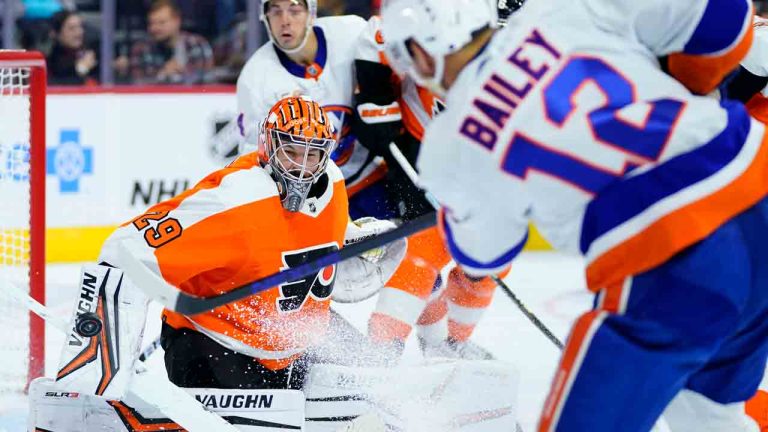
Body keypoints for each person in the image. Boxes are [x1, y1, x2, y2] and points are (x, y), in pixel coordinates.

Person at [382, 0, 768, 431]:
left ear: (419, 52)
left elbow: (482, 259)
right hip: (756, 177)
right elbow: (725, 16)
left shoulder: (449, 146)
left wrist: (462, 216)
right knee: (708, 415)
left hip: (674, 259)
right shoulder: (557, 10)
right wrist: (693, 85)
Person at [353, 3, 520, 360]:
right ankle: (380, 355)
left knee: (487, 264)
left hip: (481, 175)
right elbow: (378, 37)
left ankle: (450, 349)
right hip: (419, 154)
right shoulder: (443, 19)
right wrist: (375, 96)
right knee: (420, 252)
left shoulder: (540, 69)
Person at [116, 0, 214, 85]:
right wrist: (163, 76)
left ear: (177, 21)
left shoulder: (197, 44)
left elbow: (206, 81)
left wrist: (181, 74)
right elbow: (138, 85)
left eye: (161, 23)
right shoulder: (140, 49)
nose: (155, 28)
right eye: (152, 23)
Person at [46, 10, 98, 85]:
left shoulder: (91, 51)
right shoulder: (53, 61)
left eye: (80, 26)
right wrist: (81, 69)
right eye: (72, 28)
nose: (79, 32)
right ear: (56, 33)